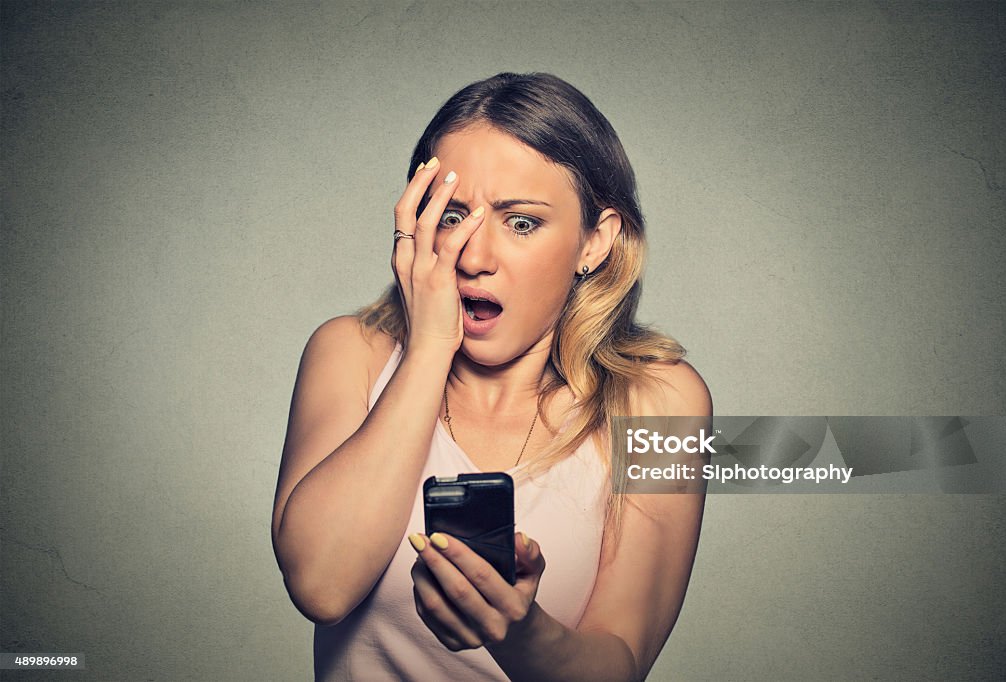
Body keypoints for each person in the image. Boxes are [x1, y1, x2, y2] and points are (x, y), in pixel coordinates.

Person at [271, 72, 712, 681]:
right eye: (451, 217)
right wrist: (429, 346)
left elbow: (620, 664)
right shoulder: (352, 354)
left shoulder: (661, 403)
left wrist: (521, 632)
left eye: (522, 222)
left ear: (596, 242)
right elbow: (321, 585)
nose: (474, 258)